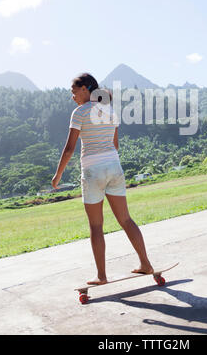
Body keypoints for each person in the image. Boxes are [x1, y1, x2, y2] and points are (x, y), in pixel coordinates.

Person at [51, 72, 153, 284]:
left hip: (92, 170)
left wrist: (58, 175)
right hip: (114, 166)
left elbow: (70, 148)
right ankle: (146, 264)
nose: (72, 96)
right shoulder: (110, 111)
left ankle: (101, 276)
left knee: (96, 226)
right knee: (126, 219)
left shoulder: (79, 112)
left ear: (85, 88)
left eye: (74, 91)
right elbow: (115, 145)